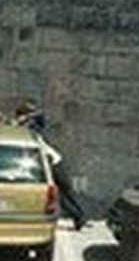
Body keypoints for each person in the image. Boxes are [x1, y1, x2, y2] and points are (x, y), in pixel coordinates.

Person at [14, 99, 87, 231]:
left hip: (54, 162)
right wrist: (22, 120)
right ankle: (79, 218)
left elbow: (41, 117)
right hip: (49, 164)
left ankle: (80, 217)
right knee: (61, 195)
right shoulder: (24, 130)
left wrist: (28, 116)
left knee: (67, 192)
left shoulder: (33, 127)